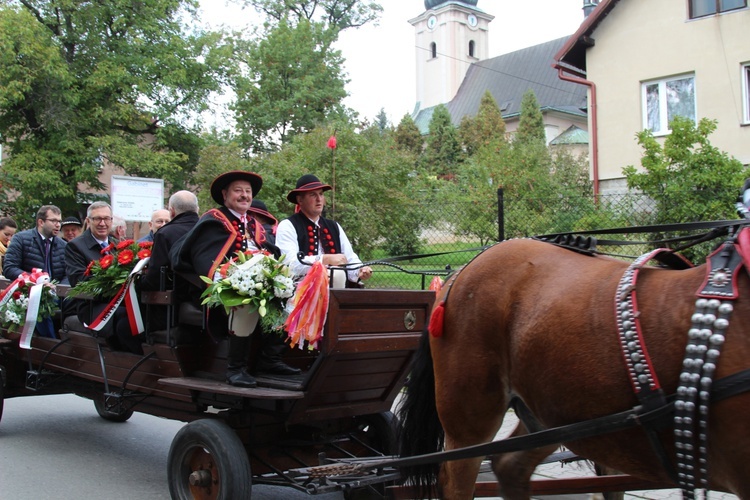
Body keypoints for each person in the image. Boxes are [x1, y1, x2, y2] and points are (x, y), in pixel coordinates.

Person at [172, 171, 299, 387]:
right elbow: (206, 260)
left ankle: (270, 359)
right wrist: (233, 280)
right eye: (238, 191)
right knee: (245, 303)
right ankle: (235, 369)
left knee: (291, 297)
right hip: (217, 290)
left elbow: (269, 251)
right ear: (225, 194)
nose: (244, 196)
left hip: (255, 283)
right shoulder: (214, 220)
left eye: (248, 192)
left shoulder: (253, 224)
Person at [65, 201, 142, 354]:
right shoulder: (75, 246)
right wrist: (113, 286)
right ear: (88, 221)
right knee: (127, 319)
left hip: (120, 301)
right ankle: (131, 360)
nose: (102, 223)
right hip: (92, 305)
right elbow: (79, 281)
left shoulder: (116, 245)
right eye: (97, 219)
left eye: (107, 219)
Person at [276, 174, 372, 287]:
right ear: (300, 200)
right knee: (336, 275)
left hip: (336, 294)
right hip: (301, 293)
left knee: (338, 275)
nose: (319, 199)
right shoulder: (288, 225)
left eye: (321, 194)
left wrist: (360, 270)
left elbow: (350, 259)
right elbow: (290, 265)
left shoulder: (334, 226)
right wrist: (324, 259)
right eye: (313, 195)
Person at [3, 206, 67, 338]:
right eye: (53, 221)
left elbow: (68, 274)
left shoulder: (63, 245)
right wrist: (33, 280)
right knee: (39, 304)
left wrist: (59, 288)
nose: (58, 225)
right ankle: (51, 347)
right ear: (41, 222)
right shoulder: (21, 239)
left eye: (59, 221)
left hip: (57, 293)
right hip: (29, 292)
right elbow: (9, 268)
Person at [139, 192, 200, 329]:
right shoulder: (209, 229)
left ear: (171, 211)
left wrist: (138, 282)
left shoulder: (165, 233)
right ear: (197, 209)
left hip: (171, 310)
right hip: (205, 300)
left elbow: (155, 278)